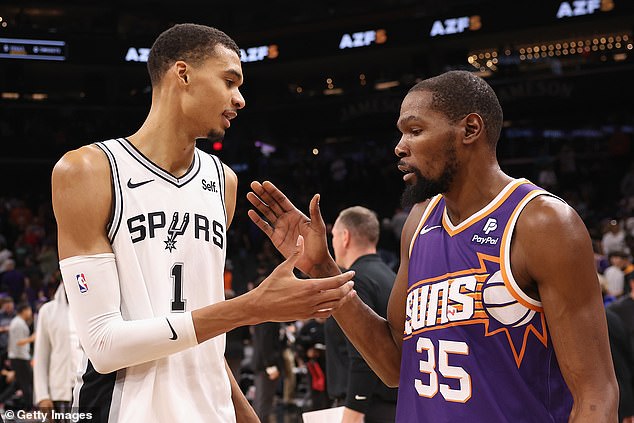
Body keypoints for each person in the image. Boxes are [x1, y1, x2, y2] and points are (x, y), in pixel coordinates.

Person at [246, 70, 618, 421]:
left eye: (415, 130)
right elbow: (394, 364)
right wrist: (326, 270)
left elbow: (596, 395)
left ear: (470, 129)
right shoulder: (418, 223)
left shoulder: (542, 223)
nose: (399, 147)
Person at [50, 23, 355, 423]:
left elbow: (205, 335)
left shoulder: (223, 181)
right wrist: (252, 308)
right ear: (183, 74)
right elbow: (104, 347)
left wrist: (246, 416)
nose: (240, 99)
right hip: (127, 410)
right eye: (230, 81)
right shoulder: (87, 170)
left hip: (211, 411)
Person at [325, 206, 397, 423]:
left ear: (345, 237)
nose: (333, 243)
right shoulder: (391, 277)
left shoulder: (356, 281)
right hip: (391, 405)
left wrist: (353, 411)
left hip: (364, 408)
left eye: (334, 236)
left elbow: (362, 357)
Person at [33, 282, 82, 419]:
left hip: (90, 388)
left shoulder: (91, 309)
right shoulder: (47, 311)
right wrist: (42, 395)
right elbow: (41, 356)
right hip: (61, 391)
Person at [8, 302, 35, 408]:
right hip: (20, 357)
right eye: (29, 310)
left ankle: (2, 400)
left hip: (18, 357)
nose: (30, 313)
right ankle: (29, 408)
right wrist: (32, 338)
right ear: (24, 310)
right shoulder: (18, 323)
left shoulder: (17, 321)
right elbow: (18, 342)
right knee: (26, 383)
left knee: (19, 383)